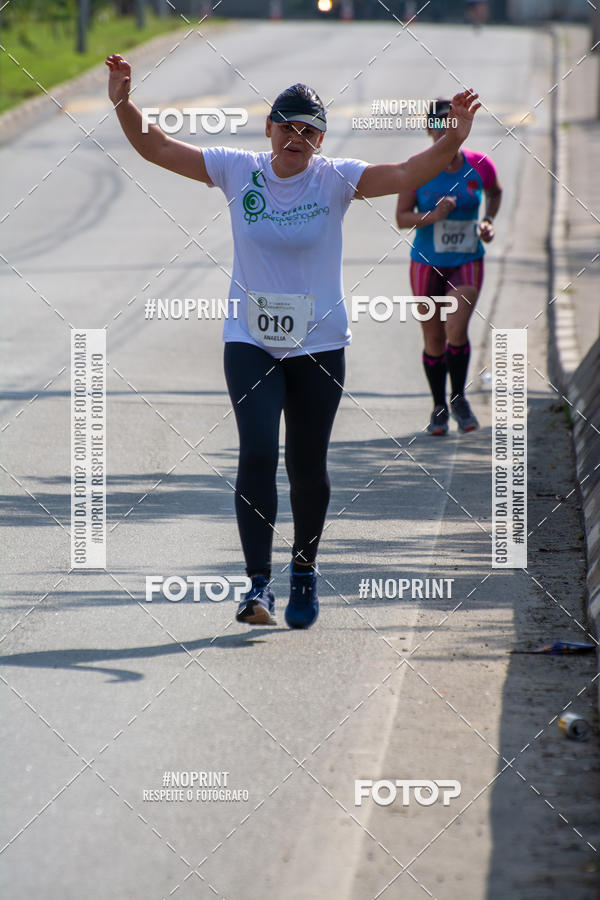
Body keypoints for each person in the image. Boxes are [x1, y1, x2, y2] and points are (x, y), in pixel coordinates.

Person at [106, 55, 480, 627]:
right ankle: (257, 587)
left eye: (308, 130)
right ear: (270, 128)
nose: (296, 138)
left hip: (320, 346)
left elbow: (407, 172)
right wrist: (123, 104)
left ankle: (303, 570)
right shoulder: (237, 169)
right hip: (250, 340)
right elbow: (158, 147)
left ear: (322, 138)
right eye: (287, 126)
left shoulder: (336, 179)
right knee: (256, 453)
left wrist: (454, 137)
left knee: (307, 465)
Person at [395, 98, 502, 435]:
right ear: (429, 129)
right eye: (439, 124)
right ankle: (439, 406)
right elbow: (401, 217)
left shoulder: (480, 165)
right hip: (426, 265)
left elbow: (495, 193)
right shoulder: (417, 169)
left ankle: (459, 399)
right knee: (434, 338)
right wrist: (433, 216)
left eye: (451, 122)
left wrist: (487, 221)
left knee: (456, 329)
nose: (445, 129)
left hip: (466, 261)